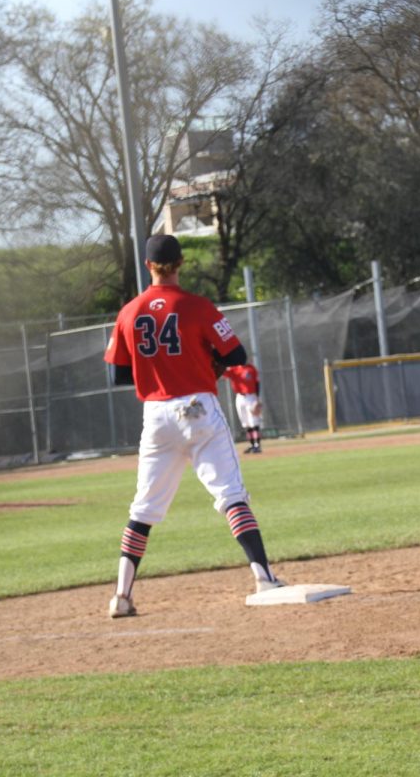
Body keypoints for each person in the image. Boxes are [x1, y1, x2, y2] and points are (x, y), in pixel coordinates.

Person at [102, 234, 285, 618]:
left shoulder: (129, 312)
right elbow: (236, 353)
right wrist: (208, 365)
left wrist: (156, 370)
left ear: (148, 265)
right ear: (181, 263)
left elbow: (119, 374)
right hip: (198, 406)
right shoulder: (197, 306)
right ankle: (264, 577)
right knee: (231, 494)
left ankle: (121, 596)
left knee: (144, 508)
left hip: (155, 414)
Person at [223, 362, 264, 453]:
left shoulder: (251, 368)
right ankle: (252, 444)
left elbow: (257, 384)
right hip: (240, 397)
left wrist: (257, 398)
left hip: (251, 396)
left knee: (254, 421)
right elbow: (223, 373)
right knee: (246, 423)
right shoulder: (234, 369)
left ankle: (257, 445)